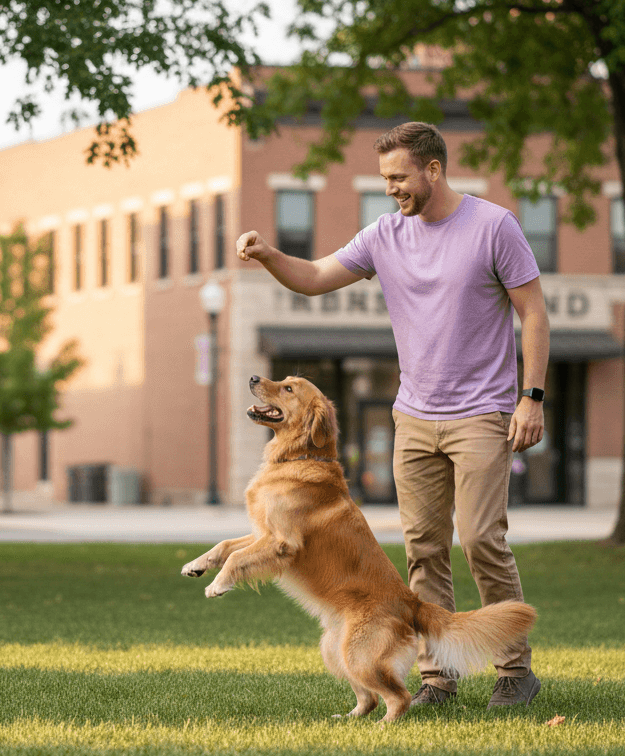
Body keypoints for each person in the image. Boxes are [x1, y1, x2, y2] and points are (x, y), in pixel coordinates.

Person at [235, 121, 550, 709]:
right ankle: (437, 677)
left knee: (482, 537)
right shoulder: (385, 235)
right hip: (413, 415)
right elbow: (315, 278)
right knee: (423, 546)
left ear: (433, 170)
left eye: (398, 177)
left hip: (482, 411)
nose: (390, 189)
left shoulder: (493, 227)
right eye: (384, 178)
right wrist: (270, 255)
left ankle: (515, 669)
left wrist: (531, 397)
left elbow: (533, 311)